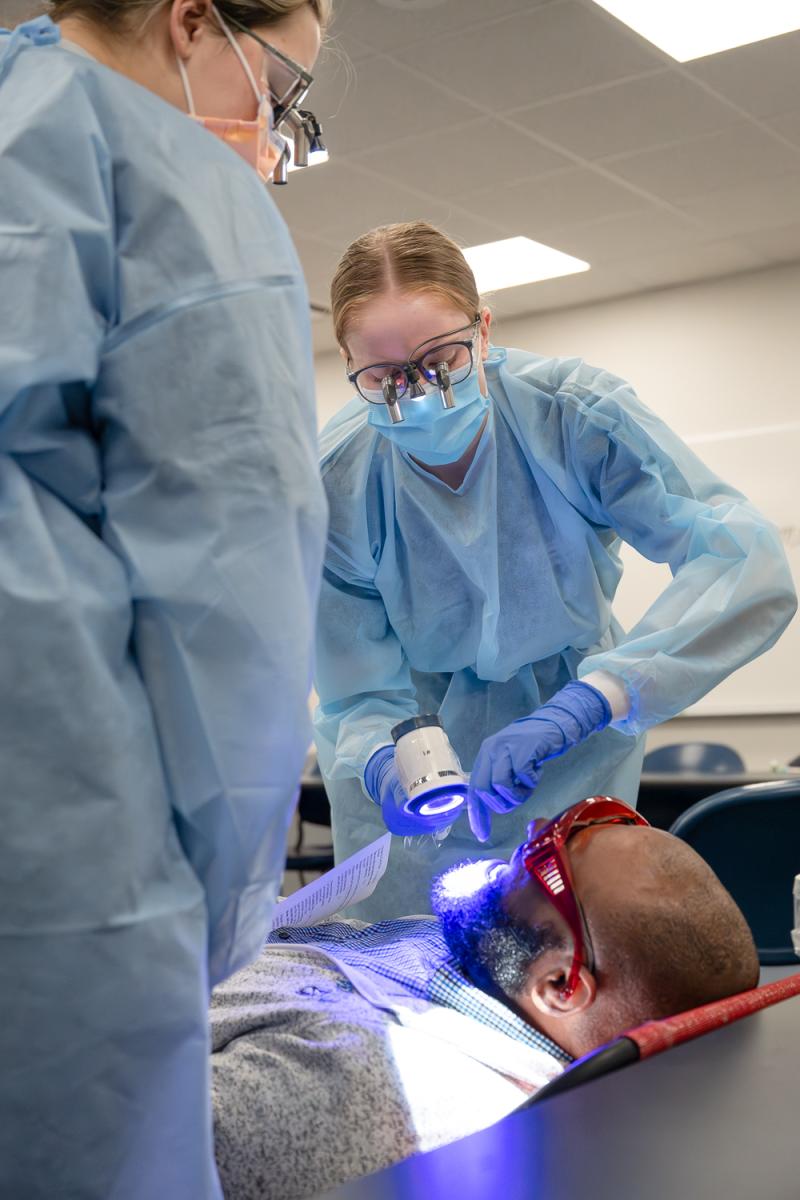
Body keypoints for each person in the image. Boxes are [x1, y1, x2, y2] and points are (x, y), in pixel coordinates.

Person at [0, 2, 329, 1197]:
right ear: (193, 21)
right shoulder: (172, 179)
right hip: (57, 868)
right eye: (280, 83)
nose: (274, 128)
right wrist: (225, 915)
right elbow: (230, 600)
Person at [313, 220, 797, 919]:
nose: (419, 396)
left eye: (442, 359)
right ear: (347, 362)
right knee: (406, 960)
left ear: (483, 329)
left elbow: (741, 560)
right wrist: (385, 763)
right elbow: (353, 679)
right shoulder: (338, 480)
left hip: (577, 741)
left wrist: (592, 701)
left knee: (574, 945)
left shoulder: (574, 418)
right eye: (385, 377)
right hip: (420, 753)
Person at [209, 797, 759, 1200]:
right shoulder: (488, 960)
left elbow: (129, 1140)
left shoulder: (361, 1087)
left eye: (550, 859)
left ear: (560, 988)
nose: (537, 827)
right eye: (577, 824)